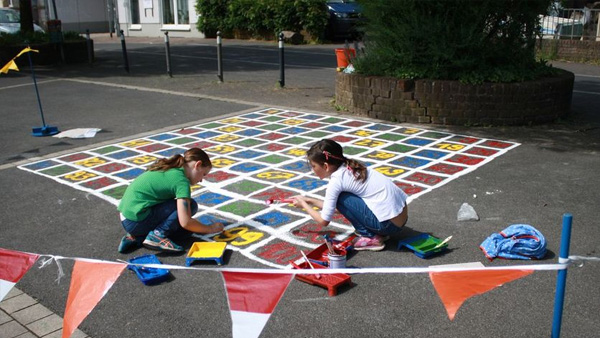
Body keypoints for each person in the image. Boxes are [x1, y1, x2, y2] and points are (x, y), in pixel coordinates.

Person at [290, 139, 408, 251]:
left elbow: (324, 220)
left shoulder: (337, 181)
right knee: (342, 198)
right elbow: (336, 209)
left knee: (342, 197)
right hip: (400, 219)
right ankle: (377, 231)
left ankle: (371, 237)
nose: (313, 170)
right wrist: (309, 200)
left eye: (314, 166)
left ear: (326, 166)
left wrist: (304, 204)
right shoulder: (349, 167)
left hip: (388, 225)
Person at [117, 148, 224, 253]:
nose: (201, 180)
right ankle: (157, 236)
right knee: (191, 206)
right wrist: (210, 229)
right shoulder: (181, 180)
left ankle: (137, 238)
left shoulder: (172, 168)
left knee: (186, 232)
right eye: (203, 174)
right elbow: (185, 221)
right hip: (136, 220)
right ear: (198, 165)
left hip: (128, 217)